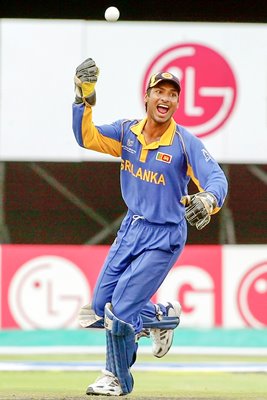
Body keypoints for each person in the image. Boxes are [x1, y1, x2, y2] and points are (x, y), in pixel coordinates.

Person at [72, 58, 228, 396]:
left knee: (122, 310)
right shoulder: (128, 132)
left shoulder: (185, 142)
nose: (166, 98)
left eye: (173, 94)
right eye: (160, 91)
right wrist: (83, 97)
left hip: (164, 235)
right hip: (131, 229)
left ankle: (117, 378)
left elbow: (215, 178)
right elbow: (88, 137)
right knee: (99, 309)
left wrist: (208, 200)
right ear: (147, 96)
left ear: (176, 103)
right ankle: (160, 316)